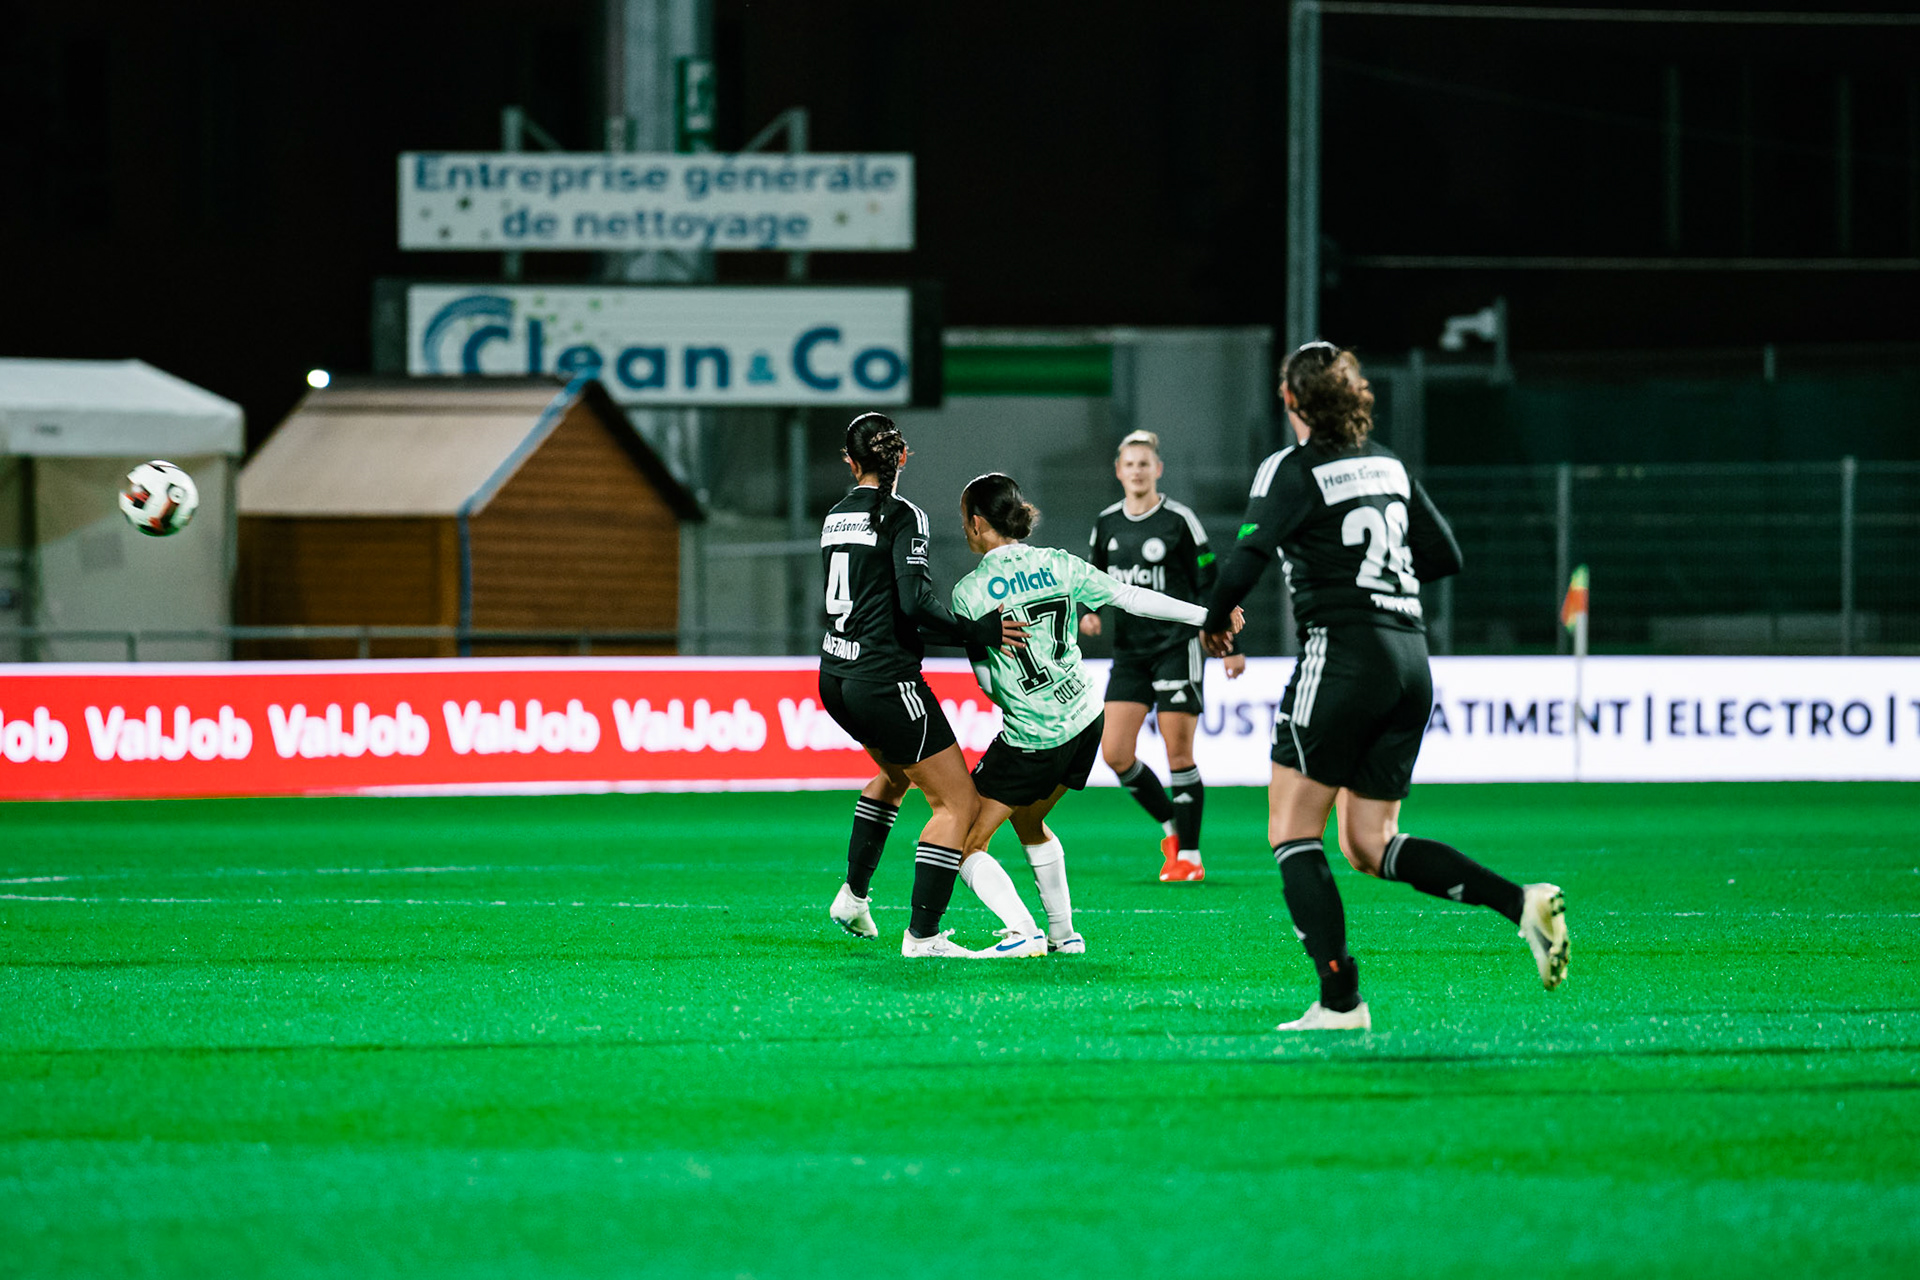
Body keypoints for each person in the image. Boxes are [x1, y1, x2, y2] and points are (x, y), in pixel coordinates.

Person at [1201, 342, 1570, 1031]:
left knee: (1291, 830)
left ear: (1291, 401)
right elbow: (1444, 554)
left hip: (1342, 658)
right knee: (1370, 844)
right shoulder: (1387, 464)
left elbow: (1246, 556)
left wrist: (1215, 625)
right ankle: (1521, 903)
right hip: (1410, 661)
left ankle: (1341, 1001)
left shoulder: (1291, 467)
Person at [935, 472, 1244, 955]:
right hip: (1085, 719)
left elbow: (988, 684)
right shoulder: (1060, 564)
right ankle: (1063, 935)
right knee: (1029, 820)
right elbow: (1133, 598)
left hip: (1033, 736)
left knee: (964, 841)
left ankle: (1024, 931)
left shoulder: (970, 593)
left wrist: (1020, 699)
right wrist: (1210, 614)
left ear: (976, 523)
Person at [819, 413, 1029, 958]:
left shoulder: (835, 516)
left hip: (836, 677)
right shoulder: (902, 514)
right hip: (884, 681)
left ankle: (853, 895)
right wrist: (978, 632)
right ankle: (924, 937)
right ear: (902, 458)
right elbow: (914, 605)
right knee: (957, 805)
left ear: (851, 462)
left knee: (893, 774)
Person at [1082, 429, 1245, 883]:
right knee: (1115, 753)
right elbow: (1093, 578)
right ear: (1118, 472)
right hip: (1130, 653)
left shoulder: (1179, 520)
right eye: (1129, 464)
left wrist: (1232, 643)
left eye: (1144, 463)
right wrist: (1090, 611)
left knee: (1178, 752)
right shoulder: (1107, 523)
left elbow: (1211, 581)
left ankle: (1189, 855)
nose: (1136, 470)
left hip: (1178, 647)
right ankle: (1172, 827)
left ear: (1158, 469)